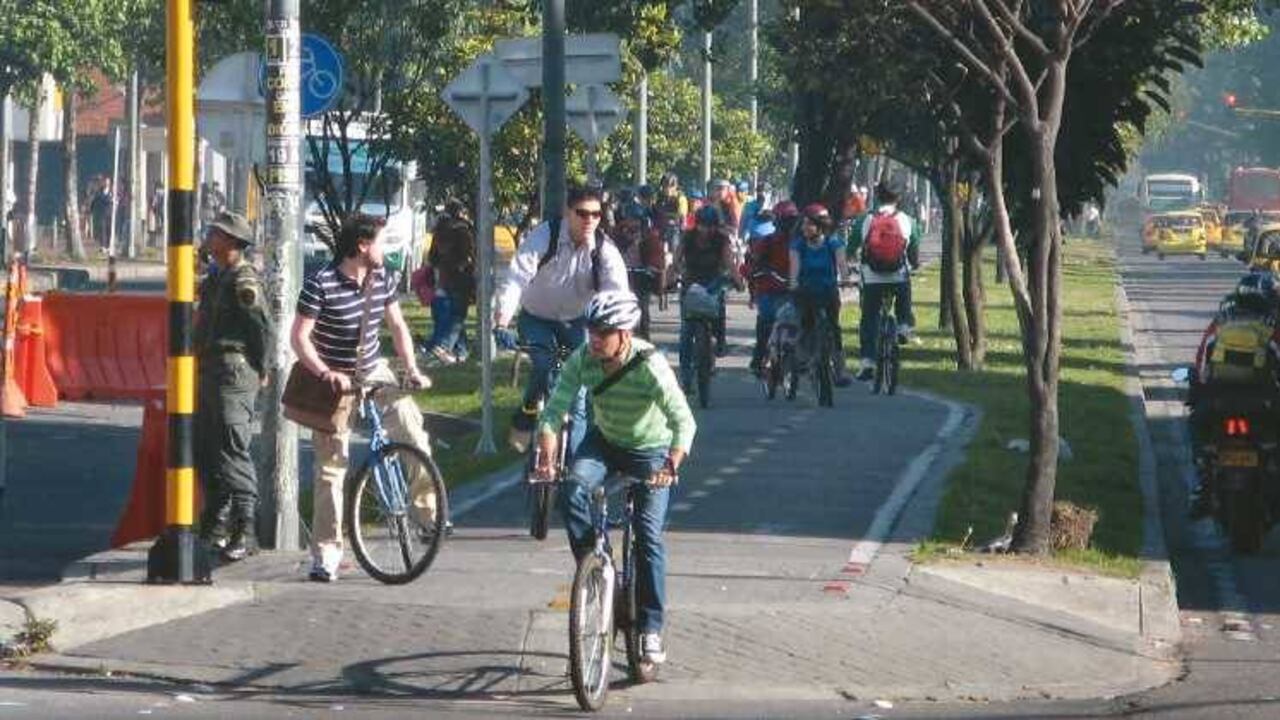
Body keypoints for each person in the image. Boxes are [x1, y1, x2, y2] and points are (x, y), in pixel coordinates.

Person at [533, 291, 695, 671]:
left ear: (625, 334)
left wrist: (670, 464)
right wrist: (548, 456)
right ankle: (596, 571)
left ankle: (651, 627)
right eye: (591, 330)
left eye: (603, 332)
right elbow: (553, 413)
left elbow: (684, 421)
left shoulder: (649, 366)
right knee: (572, 490)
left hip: (651, 450)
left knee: (648, 535)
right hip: (604, 442)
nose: (594, 338)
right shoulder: (583, 359)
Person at [291, 214, 435, 582]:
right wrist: (326, 372)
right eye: (382, 242)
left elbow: (398, 326)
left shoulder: (381, 279)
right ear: (361, 246)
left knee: (412, 429)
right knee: (331, 468)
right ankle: (327, 553)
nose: (387, 249)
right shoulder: (320, 284)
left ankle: (428, 515)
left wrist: (412, 370)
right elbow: (300, 338)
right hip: (333, 380)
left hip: (373, 370)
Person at [493, 183, 630, 452]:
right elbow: (516, 279)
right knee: (543, 366)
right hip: (537, 318)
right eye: (582, 213)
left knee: (577, 397)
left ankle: (572, 471)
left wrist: (620, 339)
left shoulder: (604, 250)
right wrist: (501, 321)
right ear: (568, 212)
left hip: (577, 321)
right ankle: (527, 413)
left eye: (596, 214)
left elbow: (618, 297)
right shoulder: (545, 236)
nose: (589, 220)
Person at [194, 212, 271, 562]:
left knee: (231, 449)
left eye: (215, 233)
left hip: (234, 373)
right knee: (207, 451)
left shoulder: (243, 282)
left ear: (231, 242)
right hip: (210, 371)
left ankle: (246, 530)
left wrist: (262, 367)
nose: (209, 238)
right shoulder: (216, 277)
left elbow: (261, 328)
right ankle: (216, 526)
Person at [1188, 271, 1280, 517]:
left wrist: (1199, 384)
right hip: (1265, 401)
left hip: (1218, 399)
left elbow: (1201, 360)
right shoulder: (1273, 324)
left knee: (1197, 426)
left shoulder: (1223, 321)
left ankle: (1203, 479)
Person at [852, 182, 920, 382]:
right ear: (898, 199)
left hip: (871, 278)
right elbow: (913, 249)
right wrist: (913, 265)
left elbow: (852, 247)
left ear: (877, 197)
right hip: (897, 275)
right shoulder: (908, 221)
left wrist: (849, 260)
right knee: (904, 288)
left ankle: (867, 363)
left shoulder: (865, 219)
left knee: (869, 318)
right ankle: (903, 325)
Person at [674, 205, 744, 385]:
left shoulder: (722, 240)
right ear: (696, 224)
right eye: (703, 225)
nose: (706, 230)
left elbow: (729, 264)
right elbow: (675, 262)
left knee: (719, 313)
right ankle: (686, 376)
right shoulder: (687, 238)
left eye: (710, 225)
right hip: (691, 286)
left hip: (713, 285)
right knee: (686, 333)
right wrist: (670, 279)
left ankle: (720, 343)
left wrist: (738, 282)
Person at [788, 203, 852, 387]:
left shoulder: (833, 242)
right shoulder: (798, 245)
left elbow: (842, 264)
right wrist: (793, 284)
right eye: (803, 224)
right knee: (805, 325)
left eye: (809, 224)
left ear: (820, 226)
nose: (804, 228)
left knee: (834, 328)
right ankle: (803, 359)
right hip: (806, 292)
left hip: (828, 292)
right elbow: (795, 268)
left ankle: (840, 369)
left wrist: (846, 279)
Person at [422, 199, 476, 364]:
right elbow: (469, 256)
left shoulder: (439, 230)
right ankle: (443, 348)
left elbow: (432, 257)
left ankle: (462, 351)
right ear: (460, 212)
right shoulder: (463, 230)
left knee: (454, 315)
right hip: (461, 278)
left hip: (444, 278)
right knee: (457, 316)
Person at [747, 201, 798, 375]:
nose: (789, 224)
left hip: (794, 290)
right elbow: (753, 265)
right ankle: (759, 356)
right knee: (766, 320)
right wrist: (757, 273)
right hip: (770, 289)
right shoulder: (767, 242)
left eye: (792, 220)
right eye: (786, 220)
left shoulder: (801, 243)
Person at [614, 201, 666, 339]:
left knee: (642, 309)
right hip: (619, 278)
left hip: (641, 279)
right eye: (630, 219)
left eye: (636, 219)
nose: (632, 223)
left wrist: (652, 268)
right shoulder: (616, 234)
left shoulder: (648, 236)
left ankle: (644, 342)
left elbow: (657, 258)